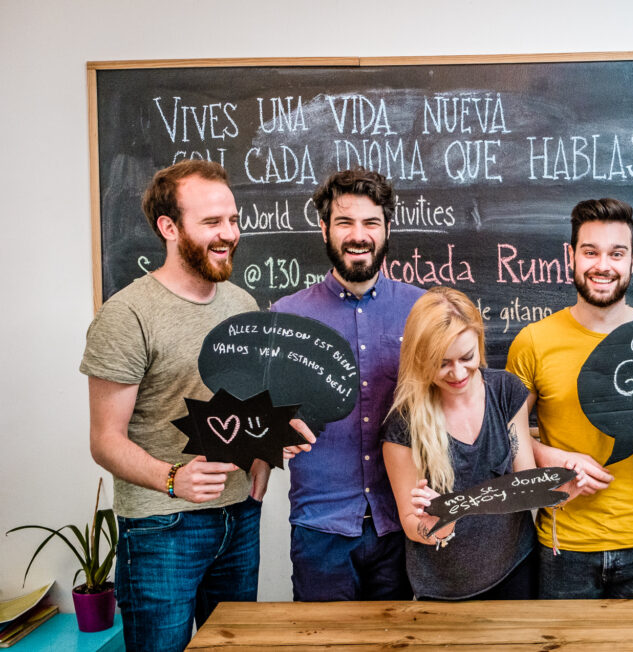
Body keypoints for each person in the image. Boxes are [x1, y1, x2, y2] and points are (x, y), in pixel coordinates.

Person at [81, 160, 279, 652]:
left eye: (232, 220)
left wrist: (264, 454)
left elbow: (248, 403)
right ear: (169, 228)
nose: (228, 234)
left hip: (239, 519)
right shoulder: (126, 315)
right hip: (161, 527)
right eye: (211, 222)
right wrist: (173, 478)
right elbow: (104, 440)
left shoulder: (242, 305)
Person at [506, 197, 633, 599]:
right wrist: (554, 459)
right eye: (590, 252)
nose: (602, 265)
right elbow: (506, 438)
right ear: (571, 257)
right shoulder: (534, 342)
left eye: (616, 253)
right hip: (565, 543)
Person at [271, 167, 422, 601]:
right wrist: (273, 435)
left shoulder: (421, 311)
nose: (359, 235)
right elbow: (263, 417)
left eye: (371, 222)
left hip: (402, 522)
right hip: (321, 529)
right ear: (324, 230)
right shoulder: (285, 316)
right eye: (345, 222)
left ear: (387, 229)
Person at [381, 287, 587, 600]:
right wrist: (437, 527)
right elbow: (412, 524)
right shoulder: (403, 422)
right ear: (420, 358)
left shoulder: (505, 391)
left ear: (479, 341)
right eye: (443, 363)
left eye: (467, 357)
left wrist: (556, 493)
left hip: (516, 570)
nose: (458, 373)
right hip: (443, 589)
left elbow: (524, 483)